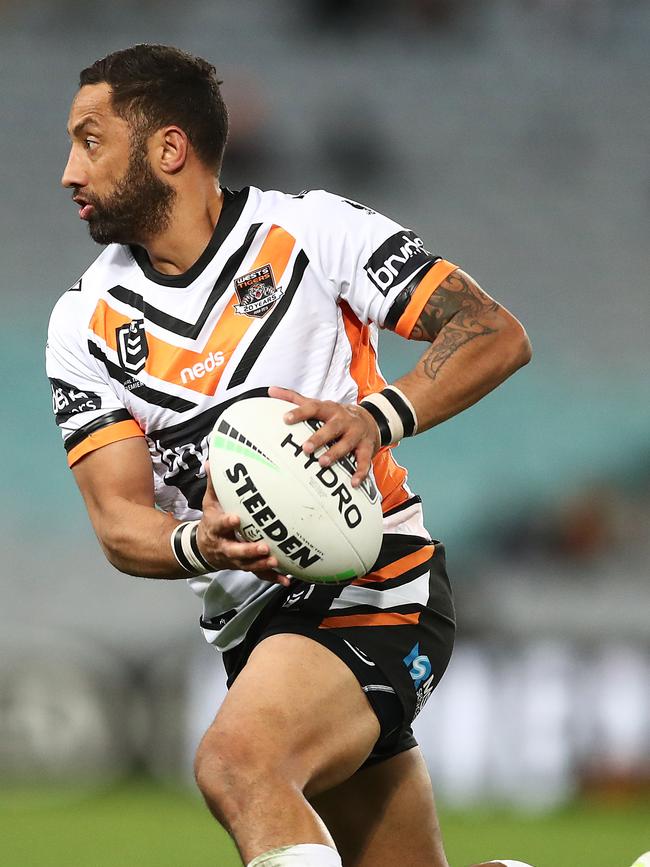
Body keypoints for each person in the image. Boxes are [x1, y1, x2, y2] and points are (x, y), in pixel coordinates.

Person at [47, 44, 535, 867]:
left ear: (169, 149)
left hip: (377, 581)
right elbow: (118, 518)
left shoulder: (312, 232)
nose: (69, 170)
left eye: (90, 140)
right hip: (258, 634)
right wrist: (195, 543)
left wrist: (380, 414)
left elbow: (492, 331)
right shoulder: (84, 324)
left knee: (237, 764)